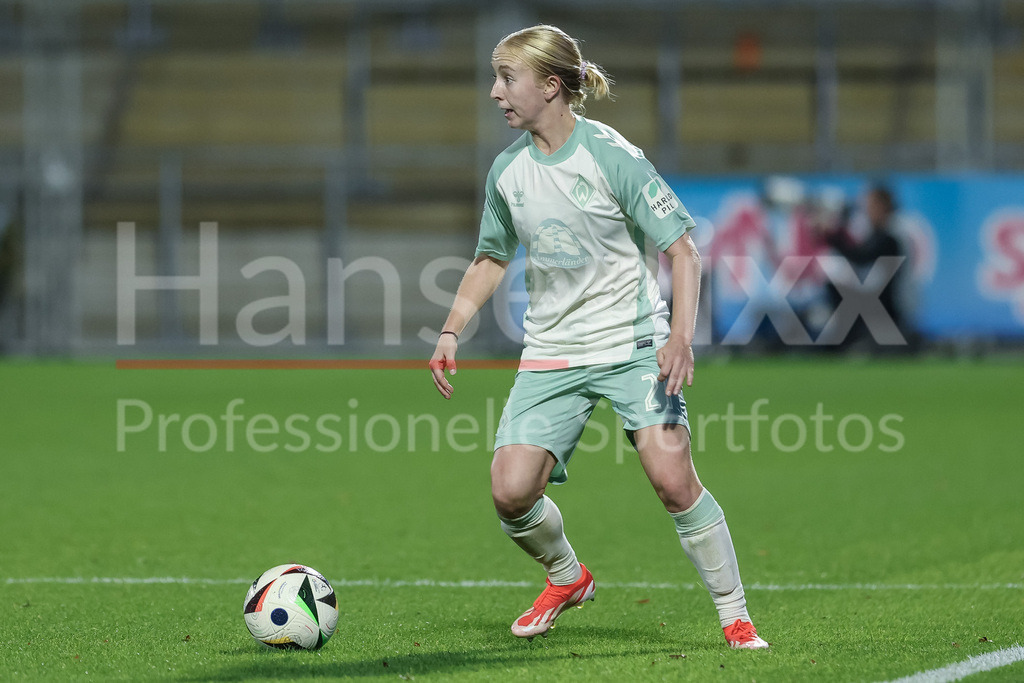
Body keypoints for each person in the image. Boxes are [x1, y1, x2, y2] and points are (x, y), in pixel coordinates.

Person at [429, 24, 768, 650]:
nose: (496, 92)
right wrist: (453, 328)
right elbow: (489, 258)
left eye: (508, 79)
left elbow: (683, 250)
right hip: (553, 351)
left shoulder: (610, 155)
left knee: (672, 481)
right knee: (510, 492)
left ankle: (735, 614)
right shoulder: (508, 172)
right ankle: (567, 575)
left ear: (551, 86)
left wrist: (680, 339)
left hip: (633, 342)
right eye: (496, 79)